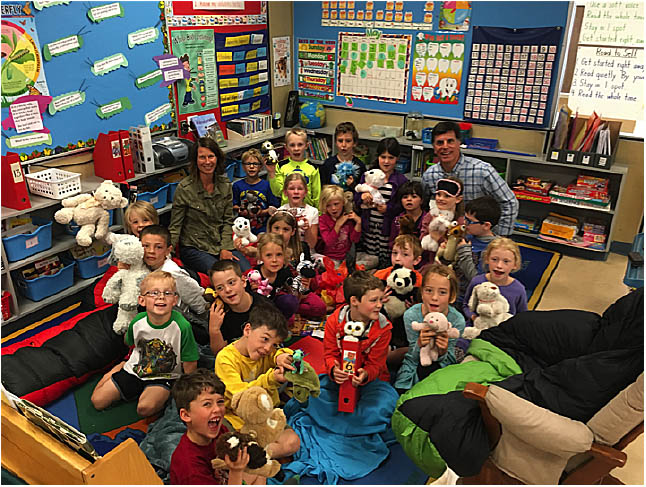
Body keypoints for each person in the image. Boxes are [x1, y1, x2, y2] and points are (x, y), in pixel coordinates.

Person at [90, 271, 199, 417]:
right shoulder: (137, 321)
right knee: (97, 401)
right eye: (154, 293)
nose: (161, 296)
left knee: (145, 409)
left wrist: (186, 388)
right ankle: (117, 369)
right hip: (136, 368)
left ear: (175, 300)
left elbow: (190, 362)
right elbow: (129, 342)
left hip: (164, 375)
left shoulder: (182, 327)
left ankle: (153, 392)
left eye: (167, 293)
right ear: (142, 300)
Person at [214, 302, 301, 459]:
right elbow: (241, 397)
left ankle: (254, 457)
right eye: (264, 339)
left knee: (292, 442)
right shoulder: (225, 358)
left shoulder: (268, 353)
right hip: (236, 419)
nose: (267, 348)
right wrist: (271, 379)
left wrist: (282, 355)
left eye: (273, 344)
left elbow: (282, 353)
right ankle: (253, 457)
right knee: (226, 446)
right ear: (248, 330)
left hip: (264, 419)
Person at [421, 121, 518, 236]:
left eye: (450, 141)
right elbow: (425, 205)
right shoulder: (430, 175)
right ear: (434, 146)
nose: (445, 147)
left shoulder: (482, 171)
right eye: (440, 143)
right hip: (443, 238)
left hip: (477, 237)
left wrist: (497, 237)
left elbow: (509, 202)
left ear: (459, 142)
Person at [169, 137, 250, 275]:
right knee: (223, 274)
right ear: (195, 160)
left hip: (220, 243)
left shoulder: (225, 185)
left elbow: (227, 221)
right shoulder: (185, 188)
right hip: (194, 247)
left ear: (217, 158)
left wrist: (225, 248)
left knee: (247, 272)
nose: (207, 162)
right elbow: (175, 226)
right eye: (202, 157)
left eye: (211, 156)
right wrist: (167, 252)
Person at [170, 368, 256, 485]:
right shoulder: (189, 467)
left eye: (220, 402)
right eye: (207, 404)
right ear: (186, 415)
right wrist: (236, 472)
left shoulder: (220, 431)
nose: (217, 409)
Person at [394, 263, 466, 392]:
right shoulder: (411, 316)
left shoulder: (457, 320)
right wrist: (419, 343)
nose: (434, 297)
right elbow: (412, 356)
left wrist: (443, 351)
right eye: (429, 290)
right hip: (415, 365)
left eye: (442, 292)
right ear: (421, 292)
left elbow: (449, 359)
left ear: (452, 296)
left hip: (441, 368)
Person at [323, 270, 392, 387]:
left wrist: (366, 374)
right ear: (354, 301)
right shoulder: (334, 321)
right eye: (373, 300)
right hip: (340, 377)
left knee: (383, 401)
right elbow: (330, 354)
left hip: (372, 380)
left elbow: (376, 364)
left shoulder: (383, 328)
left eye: (380, 300)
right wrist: (333, 370)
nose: (379, 305)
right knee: (317, 394)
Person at [355, 137, 408, 269]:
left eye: (391, 157)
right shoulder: (368, 175)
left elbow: (402, 206)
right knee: (370, 260)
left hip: (387, 229)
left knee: (386, 261)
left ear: (397, 158)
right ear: (377, 157)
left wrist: (388, 209)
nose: (386, 161)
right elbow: (356, 198)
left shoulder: (401, 181)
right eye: (383, 157)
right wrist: (362, 197)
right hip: (369, 227)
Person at [140, 225, 208, 318]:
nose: (151, 251)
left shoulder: (173, 273)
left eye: (158, 247)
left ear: (168, 250)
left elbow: (199, 302)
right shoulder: (141, 265)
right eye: (146, 246)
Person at [207, 259, 271, 356]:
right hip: (235, 360)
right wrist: (214, 329)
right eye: (220, 288)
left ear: (243, 281)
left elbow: (275, 340)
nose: (227, 290)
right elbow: (220, 354)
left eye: (231, 282)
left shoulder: (264, 306)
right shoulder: (218, 313)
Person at [463, 237, 528, 322]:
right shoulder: (477, 282)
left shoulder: (518, 290)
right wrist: (474, 317)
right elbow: (466, 305)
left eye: (506, 261)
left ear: (515, 264)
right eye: (494, 259)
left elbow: (522, 317)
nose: (499, 265)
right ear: (487, 259)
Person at [453, 196, 500, 307]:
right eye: (465, 218)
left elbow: (478, 280)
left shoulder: (492, 249)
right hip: (454, 289)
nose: (465, 223)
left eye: (470, 221)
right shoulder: (470, 235)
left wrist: (464, 253)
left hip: (468, 300)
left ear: (486, 225)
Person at [247, 233, 299, 320]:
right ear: (261, 256)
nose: (274, 260)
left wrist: (303, 287)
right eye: (268, 255)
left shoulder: (286, 271)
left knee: (291, 301)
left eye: (279, 255)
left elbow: (295, 296)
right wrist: (252, 292)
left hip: (276, 309)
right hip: (258, 313)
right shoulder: (254, 275)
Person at [267, 128, 321, 208]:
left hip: (307, 210)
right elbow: (277, 192)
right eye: (292, 145)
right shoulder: (281, 166)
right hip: (287, 210)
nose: (296, 149)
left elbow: (317, 194)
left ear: (306, 145)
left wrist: (318, 214)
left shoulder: (312, 167)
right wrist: (272, 173)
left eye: (300, 144)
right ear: (286, 147)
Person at [233, 148, 279, 234]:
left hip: (263, 228)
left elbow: (274, 207)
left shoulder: (267, 185)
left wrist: (261, 212)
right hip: (242, 228)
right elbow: (234, 205)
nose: (251, 167)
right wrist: (241, 209)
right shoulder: (237, 186)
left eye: (255, 164)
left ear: (261, 167)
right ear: (243, 166)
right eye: (248, 164)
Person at [419, 176, 465, 262]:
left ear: (458, 199)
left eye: (447, 196)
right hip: (427, 261)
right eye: (438, 194)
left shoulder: (460, 222)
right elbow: (422, 238)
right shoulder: (430, 215)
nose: (440, 199)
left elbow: (454, 248)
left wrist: (437, 237)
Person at [317, 184, 361, 267]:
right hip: (329, 257)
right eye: (328, 205)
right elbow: (329, 242)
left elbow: (354, 239)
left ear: (343, 202)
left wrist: (358, 222)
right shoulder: (323, 219)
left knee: (371, 260)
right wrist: (338, 225)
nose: (333, 208)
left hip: (346, 257)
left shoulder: (348, 218)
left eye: (336, 204)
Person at [319, 122, 366, 192]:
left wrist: (353, 185)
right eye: (340, 141)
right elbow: (323, 188)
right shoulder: (328, 164)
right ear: (335, 142)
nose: (343, 145)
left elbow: (362, 191)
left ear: (355, 143)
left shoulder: (359, 166)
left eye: (348, 141)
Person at [277, 173, 319, 250]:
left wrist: (307, 229)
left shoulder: (313, 212)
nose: (296, 192)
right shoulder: (280, 212)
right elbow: (277, 242)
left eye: (300, 189)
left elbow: (311, 245)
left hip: (306, 252)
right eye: (292, 188)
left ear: (305, 192)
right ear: (285, 192)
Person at [389, 181, 428, 248]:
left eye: (414, 197)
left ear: (421, 200)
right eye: (405, 197)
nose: (409, 199)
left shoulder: (428, 220)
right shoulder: (397, 220)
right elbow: (392, 243)